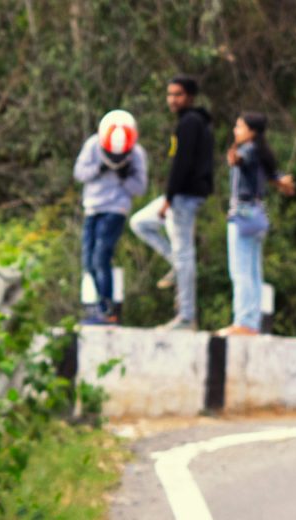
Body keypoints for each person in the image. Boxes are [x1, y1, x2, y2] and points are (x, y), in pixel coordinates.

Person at [129, 75, 214, 330]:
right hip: (182, 194)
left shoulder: (191, 122)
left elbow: (183, 164)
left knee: (185, 253)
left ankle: (186, 316)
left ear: (189, 96)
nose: (172, 100)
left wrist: (169, 197)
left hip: (184, 196)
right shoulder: (189, 122)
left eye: (177, 94)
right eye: (170, 95)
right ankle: (176, 266)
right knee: (141, 223)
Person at [217, 112, 295, 336]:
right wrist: (281, 181)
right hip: (257, 214)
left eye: (239, 126)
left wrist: (234, 155)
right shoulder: (261, 152)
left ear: (251, 131)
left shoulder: (248, 150)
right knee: (253, 272)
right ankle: (251, 322)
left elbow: (238, 159)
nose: (235, 130)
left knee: (240, 271)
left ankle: (244, 322)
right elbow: (272, 175)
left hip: (242, 215)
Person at [74, 109, 148, 323]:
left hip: (116, 209)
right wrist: (99, 168)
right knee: (88, 261)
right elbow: (79, 173)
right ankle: (100, 306)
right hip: (92, 208)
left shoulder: (136, 154)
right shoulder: (93, 145)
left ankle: (108, 310)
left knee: (101, 257)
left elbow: (139, 188)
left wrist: (123, 176)